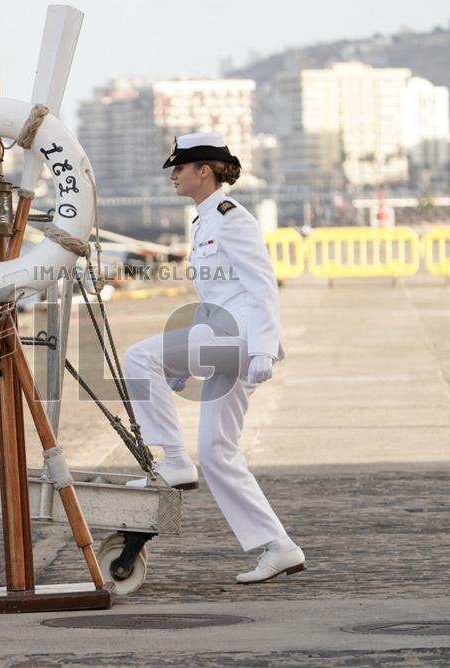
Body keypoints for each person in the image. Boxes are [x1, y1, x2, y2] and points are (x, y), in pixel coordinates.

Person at [123, 132, 306, 584]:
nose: (172, 175)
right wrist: (183, 366)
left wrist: (264, 346)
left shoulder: (231, 219)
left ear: (203, 171)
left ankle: (171, 460)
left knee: (138, 358)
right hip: (222, 335)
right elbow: (215, 295)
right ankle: (279, 547)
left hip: (241, 339)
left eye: (180, 168)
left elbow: (262, 284)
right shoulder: (204, 220)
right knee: (218, 452)